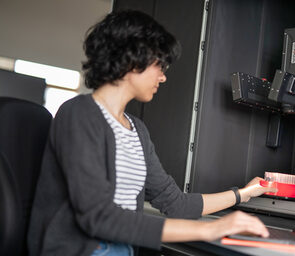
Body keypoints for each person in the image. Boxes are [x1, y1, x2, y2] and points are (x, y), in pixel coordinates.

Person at [27, 10, 277, 256]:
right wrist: (209, 230)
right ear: (133, 60)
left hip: (122, 247)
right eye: (160, 65)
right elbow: (98, 217)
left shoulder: (137, 130)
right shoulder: (79, 114)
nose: (163, 77)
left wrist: (244, 194)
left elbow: (177, 203)